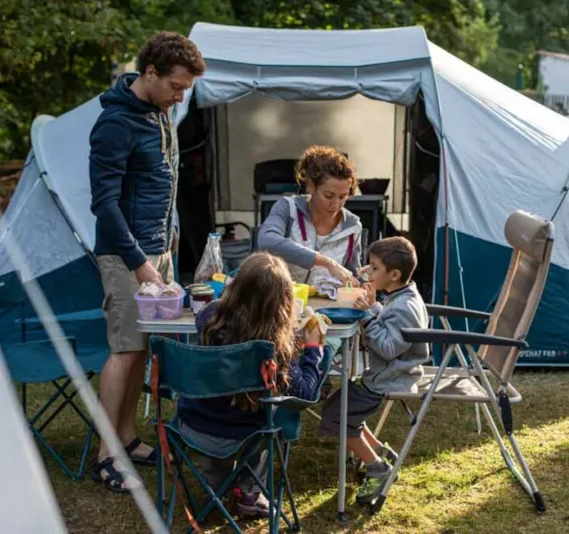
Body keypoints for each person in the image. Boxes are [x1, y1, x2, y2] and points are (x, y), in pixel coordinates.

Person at [89, 31, 206, 492]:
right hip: (126, 254)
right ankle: (105, 456)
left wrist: (170, 235)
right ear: (150, 72)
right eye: (176, 87)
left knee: (144, 348)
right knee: (124, 347)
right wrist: (139, 260)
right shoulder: (116, 123)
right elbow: (105, 203)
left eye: (186, 90)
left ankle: (127, 438)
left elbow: (165, 181)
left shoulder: (160, 114)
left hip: (157, 251)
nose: (180, 97)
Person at [177, 252, 325, 517]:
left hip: (193, 426)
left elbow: (226, 316)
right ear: (284, 301)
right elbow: (305, 393)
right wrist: (313, 349)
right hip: (247, 437)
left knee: (220, 401)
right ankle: (249, 492)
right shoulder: (275, 344)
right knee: (270, 413)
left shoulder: (209, 319)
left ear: (236, 286)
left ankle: (215, 487)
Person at [319, 236, 429, 505]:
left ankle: (378, 468)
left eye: (374, 268)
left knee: (336, 418)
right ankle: (379, 451)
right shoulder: (401, 295)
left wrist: (368, 314)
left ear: (394, 274)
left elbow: (389, 347)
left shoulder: (403, 306)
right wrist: (374, 306)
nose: (368, 272)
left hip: (391, 379)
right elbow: (390, 325)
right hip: (384, 375)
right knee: (339, 406)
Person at [257, 145, 363, 288]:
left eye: (342, 197)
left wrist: (364, 282)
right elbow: (267, 239)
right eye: (329, 196)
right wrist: (325, 262)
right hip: (281, 301)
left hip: (327, 308)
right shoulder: (288, 208)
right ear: (311, 186)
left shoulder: (352, 227)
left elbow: (351, 276)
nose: (336, 204)